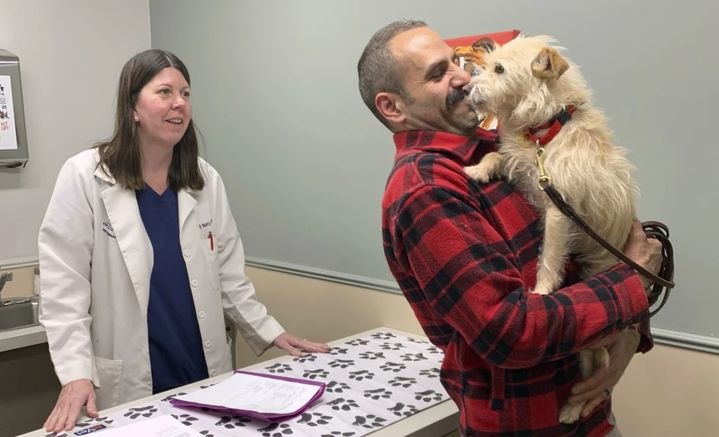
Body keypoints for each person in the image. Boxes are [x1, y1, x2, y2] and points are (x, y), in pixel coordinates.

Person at [357, 20, 663, 436]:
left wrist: (630, 329)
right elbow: (510, 332)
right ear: (393, 107)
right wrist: (632, 287)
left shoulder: (507, 148)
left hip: (587, 414)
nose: (463, 76)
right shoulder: (426, 191)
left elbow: (600, 240)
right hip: (528, 426)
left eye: (455, 62)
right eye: (437, 73)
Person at [38, 49, 329, 433]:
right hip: (132, 380)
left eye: (186, 93)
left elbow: (229, 277)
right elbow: (64, 289)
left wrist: (272, 331)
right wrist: (75, 373)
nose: (179, 103)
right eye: (165, 92)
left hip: (202, 370)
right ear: (133, 108)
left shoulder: (203, 180)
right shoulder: (85, 177)